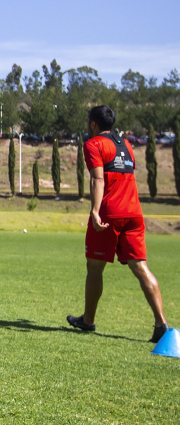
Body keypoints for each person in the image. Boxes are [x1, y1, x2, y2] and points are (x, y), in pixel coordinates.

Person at [67, 105, 170, 343]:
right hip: (134, 212)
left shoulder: (93, 144)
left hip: (109, 214)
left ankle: (88, 320)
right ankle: (161, 323)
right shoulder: (126, 145)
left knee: (94, 266)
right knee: (140, 266)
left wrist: (94, 210)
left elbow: (97, 178)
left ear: (93, 124)